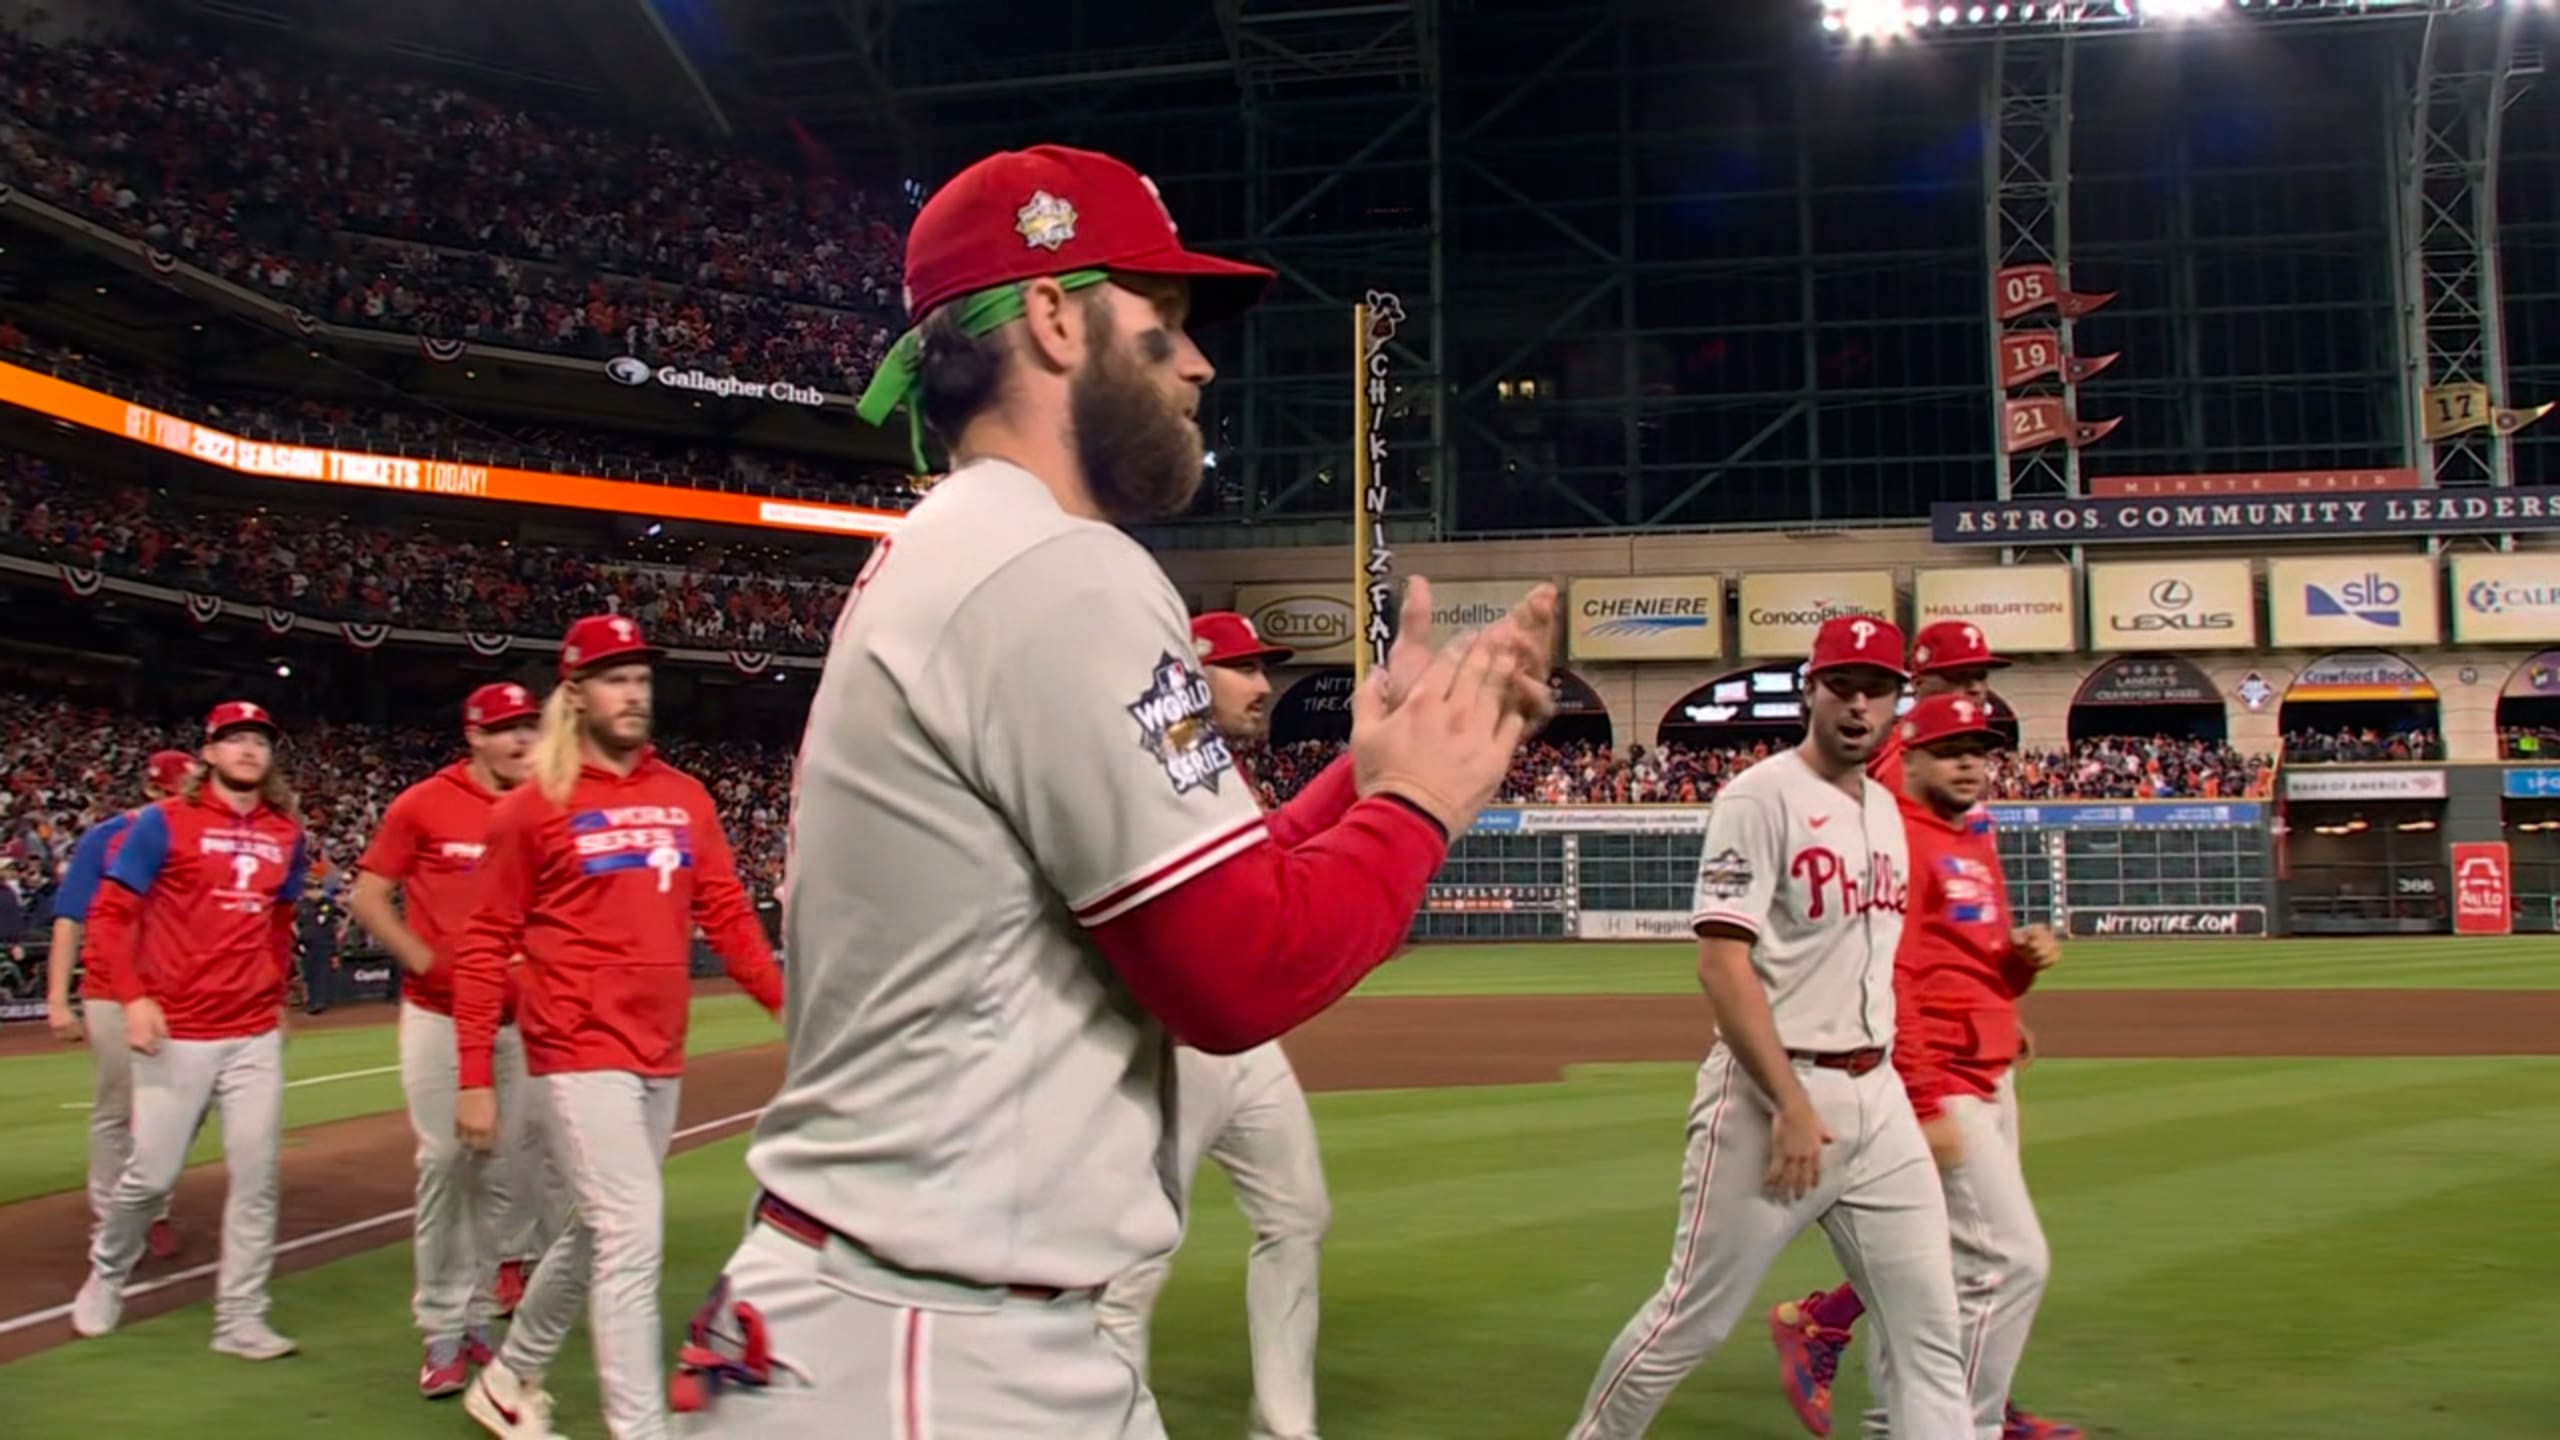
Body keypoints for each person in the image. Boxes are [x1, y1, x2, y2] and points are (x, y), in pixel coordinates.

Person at [675, 142, 1553, 1438]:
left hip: (894, 1321)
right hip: (931, 1356)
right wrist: (1416, 812)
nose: (1199, 363)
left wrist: (1361, 785)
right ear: (1050, 315)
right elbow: (1233, 975)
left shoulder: (971, 548)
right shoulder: (1056, 569)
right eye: (1164, 322)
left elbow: (1177, 888)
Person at [1565, 616, 1972, 1440]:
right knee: (1692, 1320)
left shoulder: (1888, 813)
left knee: (1931, 1335)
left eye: (1878, 688)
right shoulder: (1759, 797)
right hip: (1770, 1096)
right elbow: (1722, 963)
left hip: (1877, 1096)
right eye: (1843, 686)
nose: (1859, 704)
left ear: (1900, 700)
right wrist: (1788, 1102)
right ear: (1809, 691)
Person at [452, 617, 784, 1440]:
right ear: (576, 694)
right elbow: (483, 943)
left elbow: (730, 917)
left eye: (640, 677)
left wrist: (790, 1009)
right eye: (613, 678)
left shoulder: (685, 797)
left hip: (659, 1050)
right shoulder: (532, 809)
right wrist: (470, 1075)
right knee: (633, 1235)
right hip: (576, 1046)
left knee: (600, 1232)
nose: (633, 693)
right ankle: (640, 1431)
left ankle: (508, 1378)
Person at [1771, 624, 2074, 1440]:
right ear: (1916, 693)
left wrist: (2008, 995)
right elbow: (1889, 965)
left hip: (1976, 1055)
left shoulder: (1962, 817)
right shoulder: (1886, 802)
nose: (1973, 689)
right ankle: (1948, 1419)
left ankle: (1910, 1408)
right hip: (1920, 1065)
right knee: (1996, 1257)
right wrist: (1923, 1089)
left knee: (1942, 1259)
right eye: (1959, 677)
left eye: (1982, 676)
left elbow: (1959, 947)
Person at [1094, 611, 1335, 1440]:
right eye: (1241, 668)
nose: (1263, 684)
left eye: (1261, 667)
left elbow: (1277, 847)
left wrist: (1355, 774)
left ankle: (1284, 1427)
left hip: (1242, 1045)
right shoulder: (1165, 769)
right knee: (1134, 1265)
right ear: (1192, 678)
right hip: (1170, 1041)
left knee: (1298, 1214)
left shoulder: (1222, 774)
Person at [69, 702, 310, 1361]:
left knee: (258, 1177)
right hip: (179, 1028)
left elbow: (280, 922)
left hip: (252, 1029)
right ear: (208, 753)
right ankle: (108, 1269)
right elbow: (112, 917)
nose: (248, 749)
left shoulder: (287, 834)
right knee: (150, 1176)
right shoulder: (161, 824)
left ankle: (242, 1318)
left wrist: (277, 990)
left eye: (259, 739)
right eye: (234, 739)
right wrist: (134, 997)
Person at [347, 681, 567, 1400]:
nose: (521, 741)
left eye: (529, 728)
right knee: (445, 1159)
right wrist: (421, 959)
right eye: (505, 729)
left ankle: (475, 1314)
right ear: (474, 736)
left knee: (502, 1170)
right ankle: (442, 1327)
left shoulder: (546, 804)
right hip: (441, 1014)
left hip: (519, 1018)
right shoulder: (425, 803)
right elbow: (368, 896)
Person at [44, 748, 201, 1260]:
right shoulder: (107, 837)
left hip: (181, 993)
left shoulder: (207, 837)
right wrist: (57, 999)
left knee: (181, 1108)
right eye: (180, 786)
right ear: (154, 790)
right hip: (111, 990)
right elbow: (70, 918)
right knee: (116, 1107)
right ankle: (113, 1219)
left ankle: (152, 1205)